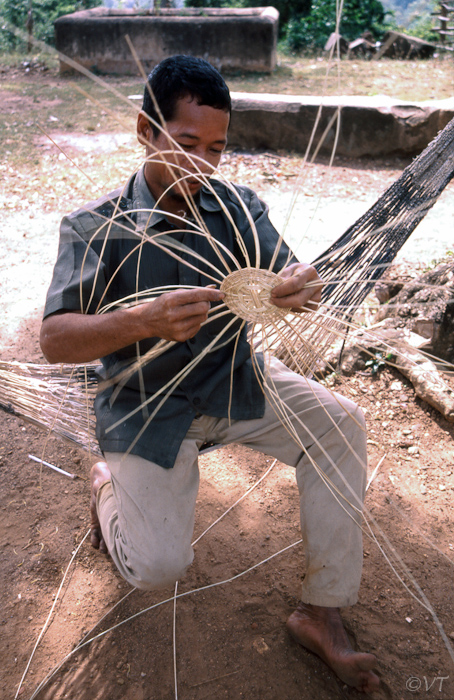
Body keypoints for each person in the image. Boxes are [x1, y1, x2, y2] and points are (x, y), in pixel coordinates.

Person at [40, 55, 379, 693]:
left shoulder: (239, 207)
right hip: (146, 407)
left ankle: (321, 612)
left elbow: (293, 273)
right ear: (146, 130)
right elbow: (56, 340)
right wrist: (142, 320)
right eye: (187, 143)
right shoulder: (95, 225)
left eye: (218, 148)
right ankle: (107, 485)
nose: (204, 164)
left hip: (237, 380)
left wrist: (300, 287)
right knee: (157, 567)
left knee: (339, 425)